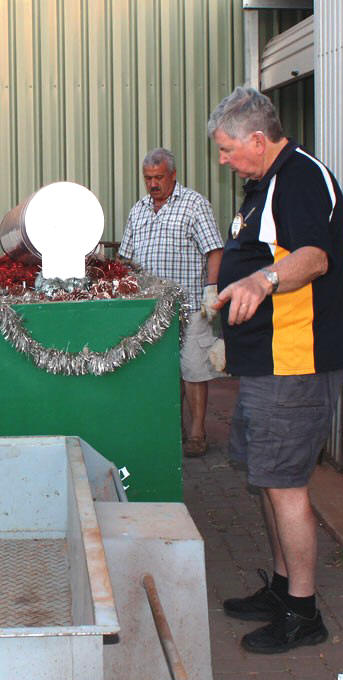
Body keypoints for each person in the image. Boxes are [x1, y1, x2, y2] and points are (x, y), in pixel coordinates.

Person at [208, 86, 343, 654]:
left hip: (296, 364)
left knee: (286, 485)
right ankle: (281, 587)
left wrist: (262, 279)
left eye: (227, 149)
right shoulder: (263, 185)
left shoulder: (298, 178)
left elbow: (314, 256)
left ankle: (302, 611)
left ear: (257, 139)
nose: (224, 160)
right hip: (266, 364)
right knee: (267, 478)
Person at [118, 147, 224, 457]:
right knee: (162, 372)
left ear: (173, 175)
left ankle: (198, 434)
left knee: (193, 369)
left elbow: (214, 250)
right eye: (148, 178)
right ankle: (171, 429)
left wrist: (211, 289)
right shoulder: (138, 210)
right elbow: (126, 259)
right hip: (152, 310)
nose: (153, 184)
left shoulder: (194, 205)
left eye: (159, 177)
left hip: (190, 305)